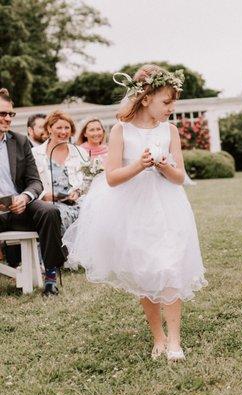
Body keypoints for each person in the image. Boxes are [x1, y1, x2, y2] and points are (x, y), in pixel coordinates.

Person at [62, 65, 207, 361]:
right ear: (145, 98)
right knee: (146, 269)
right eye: (166, 102)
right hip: (134, 208)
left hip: (167, 205)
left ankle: (176, 340)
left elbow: (180, 176)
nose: (172, 108)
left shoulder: (170, 131)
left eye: (173, 102)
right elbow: (112, 176)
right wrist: (139, 165)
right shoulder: (121, 130)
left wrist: (165, 167)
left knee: (170, 266)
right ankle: (159, 336)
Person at [0, 89, 65, 295]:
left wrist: (25, 196)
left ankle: (51, 278)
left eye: (11, 114)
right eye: (3, 114)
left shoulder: (19, 141)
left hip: (20, 208)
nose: (8, 118)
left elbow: (35, 182)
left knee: (50, 211)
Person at [32, 111, 88, 234]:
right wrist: (44, 195)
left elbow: (88, 180)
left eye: (67, 127)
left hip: (78, 203)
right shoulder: (35, 154)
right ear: (49, 128)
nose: (63, 132)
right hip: (49, 206)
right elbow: (29, 181)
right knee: (57, 215)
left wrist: (78, 191)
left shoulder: (80, 152)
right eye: (59, 127)